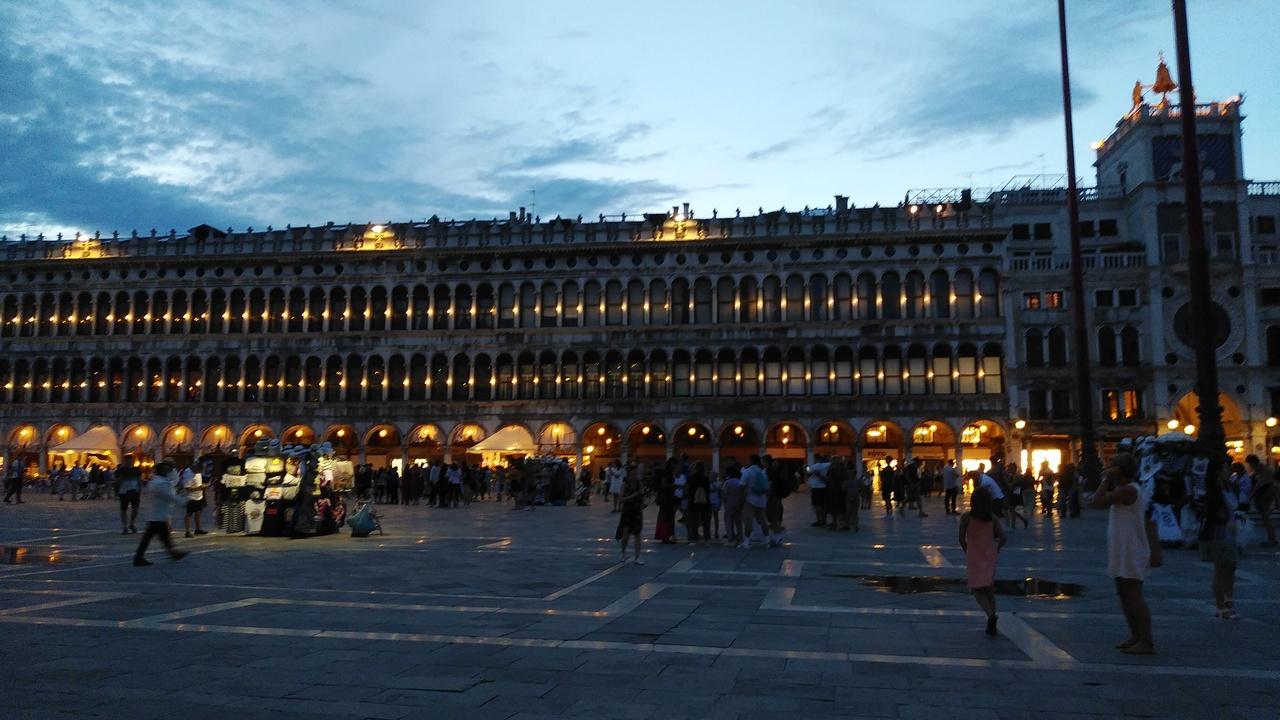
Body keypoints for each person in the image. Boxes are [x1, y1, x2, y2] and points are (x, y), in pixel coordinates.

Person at [1092, 452, 1156, 655]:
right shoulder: (1125, 489)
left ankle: (1146, 640)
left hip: (1131, 549)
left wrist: (1105, 480)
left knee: (1133, 594)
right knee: (1124, 594)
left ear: (1119, 470)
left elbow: (1097, 501)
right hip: (1122, 548)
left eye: (1112, 465)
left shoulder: (1128, 490)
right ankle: (1136, 635)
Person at [959, 486, 1007, 635]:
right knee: (988, 588)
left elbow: (961, 539)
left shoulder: (966, 518)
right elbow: (1003, 537)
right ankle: (992, 617)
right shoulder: (993, 518)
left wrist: (967, 550)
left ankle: (990, 615)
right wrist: (996, 548)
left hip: (974, 554)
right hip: (989, 554)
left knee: (976, 589)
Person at [1199, 467, 1243, 619]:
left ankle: (1229, 601)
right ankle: (1221, 606)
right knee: (1221, 569)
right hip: (1219, 531)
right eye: (1224, 469)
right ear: (1217, 472)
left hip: (1231, 531)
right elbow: (1211, 513)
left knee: (1230, 568)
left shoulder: (1229, 488)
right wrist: (1223, 520)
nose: (1228, 472)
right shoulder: (1214, 492)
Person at [134, 462, 187, 566]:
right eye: (166, 469)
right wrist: (182, 501)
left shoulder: (155, 481)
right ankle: (139, 557)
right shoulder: (161, 483)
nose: (168, 471)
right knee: (157, 536)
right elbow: (169, 496)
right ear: (161, 471)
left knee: (158, 536)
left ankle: (174, 554)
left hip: (155, 513)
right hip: (158, 514)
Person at [742, 454, 779, 548]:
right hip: (761, 500)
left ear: (751, 461)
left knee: (748, 521)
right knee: (763, 520)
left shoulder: (748, 471)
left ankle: (746, 542)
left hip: (751, 499)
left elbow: (742, 484)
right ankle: (767, 540)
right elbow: (766, 487)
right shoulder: (762, 472)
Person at [615, 465, 646, 565]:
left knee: (638, 534)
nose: (635, 475)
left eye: (636, 474)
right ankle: (623, 552)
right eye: (633, 474)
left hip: (637, 511)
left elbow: (642, 496)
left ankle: (637, 556)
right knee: (626, 533)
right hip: (627, 511)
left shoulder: (639, 484)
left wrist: (643, 503)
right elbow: (620, 499)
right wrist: (632, 496)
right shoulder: (625, 485)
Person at [1245, 454, 1277, 547]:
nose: (1250, 466)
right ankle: (1271, 538)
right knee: (1265, 518)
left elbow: (1261, 484)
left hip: (1266, 496)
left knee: (1266, 518)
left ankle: (1272, 539)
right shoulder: (1257, 471)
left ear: (1254, 462)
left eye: (1250, 463)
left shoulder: (1265, 470)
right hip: (1262, 497)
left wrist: (1251, 495)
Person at [114, 456, 142, 533]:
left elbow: (139, 480)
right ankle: (125, 526)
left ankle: (132, 523)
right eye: (127, 461)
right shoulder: (120, 470)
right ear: (124, 461)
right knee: (123, 509)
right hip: (123, 492)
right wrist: (116, 492)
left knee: (135, 509)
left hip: (134, 491)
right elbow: (116, 482)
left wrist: (139, 490)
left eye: (130, 461)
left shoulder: (136, 469)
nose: (129, 462)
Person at [685, 461, 711, 542]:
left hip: (693, 502)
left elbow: (688, 490)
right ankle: (707, 537)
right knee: (706, 521)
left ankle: (693, 536)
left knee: (693, 521)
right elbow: (708, 490)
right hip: (704, 502)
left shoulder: (691, 479)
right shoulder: (705, 479)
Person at [721, 459, 745, 547]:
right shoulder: (740, 481)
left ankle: (731, 538)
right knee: (738, 521)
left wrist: (724, 501)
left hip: (729, 502)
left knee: (728, 521)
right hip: (738, 501)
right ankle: (740, 537)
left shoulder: (728, 482)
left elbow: (724, 493)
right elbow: (742, 493)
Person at [654, 459, 678, 543]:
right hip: (666, 498)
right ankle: (666, 536)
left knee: (666, 516)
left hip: (668, 497)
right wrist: (673, 485)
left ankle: (666, 536)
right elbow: (664, 484)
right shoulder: (667, 473)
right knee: (667, 517)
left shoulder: (669, 473)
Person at [181, 466, 208, 538]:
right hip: (191, 497)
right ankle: (187, 531)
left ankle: (198, 529)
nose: (200, 472)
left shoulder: (198, 472)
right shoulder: (188, 474)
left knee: (198, 511)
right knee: (189, 513)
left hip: (199, 496)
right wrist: (199, 488)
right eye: (199, 470)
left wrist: (203, 487)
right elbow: (187, 488)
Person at [827, 456, 850, 531]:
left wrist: (844, 486)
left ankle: (841, 524)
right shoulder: (832, 468)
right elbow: (828, 478)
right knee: (834, 508)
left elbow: (846, 479)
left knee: (841, 508)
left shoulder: (841, 469)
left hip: (839, 491)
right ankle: (836, 523)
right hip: (833, 490)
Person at [806, 456, 830, 527]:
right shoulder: (828, 466)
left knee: (817, 505)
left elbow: (808, 474)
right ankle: (824, 520)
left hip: (816, 488)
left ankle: (820, 520)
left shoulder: (814, 466)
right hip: (825, 487)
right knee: (824, 505)